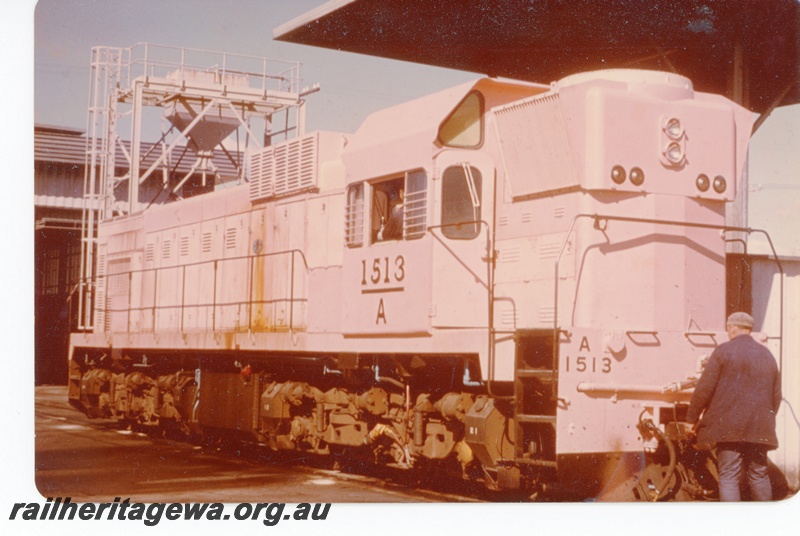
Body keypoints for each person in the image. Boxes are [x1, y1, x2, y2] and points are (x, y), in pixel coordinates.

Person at [686, 311, 781, 501]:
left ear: (732, 328)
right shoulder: (767, 355)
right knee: (759, 475)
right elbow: (776, 397)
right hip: (759, 428)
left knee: (729, 475)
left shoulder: (723, 351)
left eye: (728, 328)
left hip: (729, 428)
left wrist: (691, 419)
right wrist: (763, 419)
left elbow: (704, 389)